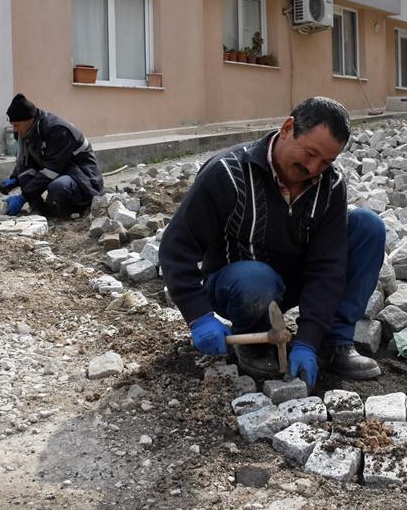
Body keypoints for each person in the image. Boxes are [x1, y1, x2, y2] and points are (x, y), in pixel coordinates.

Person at [159, 97, 386, 389]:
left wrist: (308, 338)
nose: (314, 168)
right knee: (256, 279)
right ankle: (255, 341)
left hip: (292, 282)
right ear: (288, 128)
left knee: (367, 227)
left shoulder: (330, 185)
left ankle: (333, 343)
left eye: (326, 161)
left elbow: (328, 267)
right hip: (238, 284)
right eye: (310, 153)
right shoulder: (228, 173)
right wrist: (198, 315)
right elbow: (176, 248)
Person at [0, 93, 104, 218]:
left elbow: (52, 170)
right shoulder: (28, 131)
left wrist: (23, 197)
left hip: (83, 177)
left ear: (30, 119)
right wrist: (15, 179)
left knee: (58, 187)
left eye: (16, 125)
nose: (14, 129)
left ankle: (71, 211)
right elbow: (26, 160)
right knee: (24, 173)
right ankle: (38, 210)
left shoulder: (58, 130)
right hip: (61, 170)